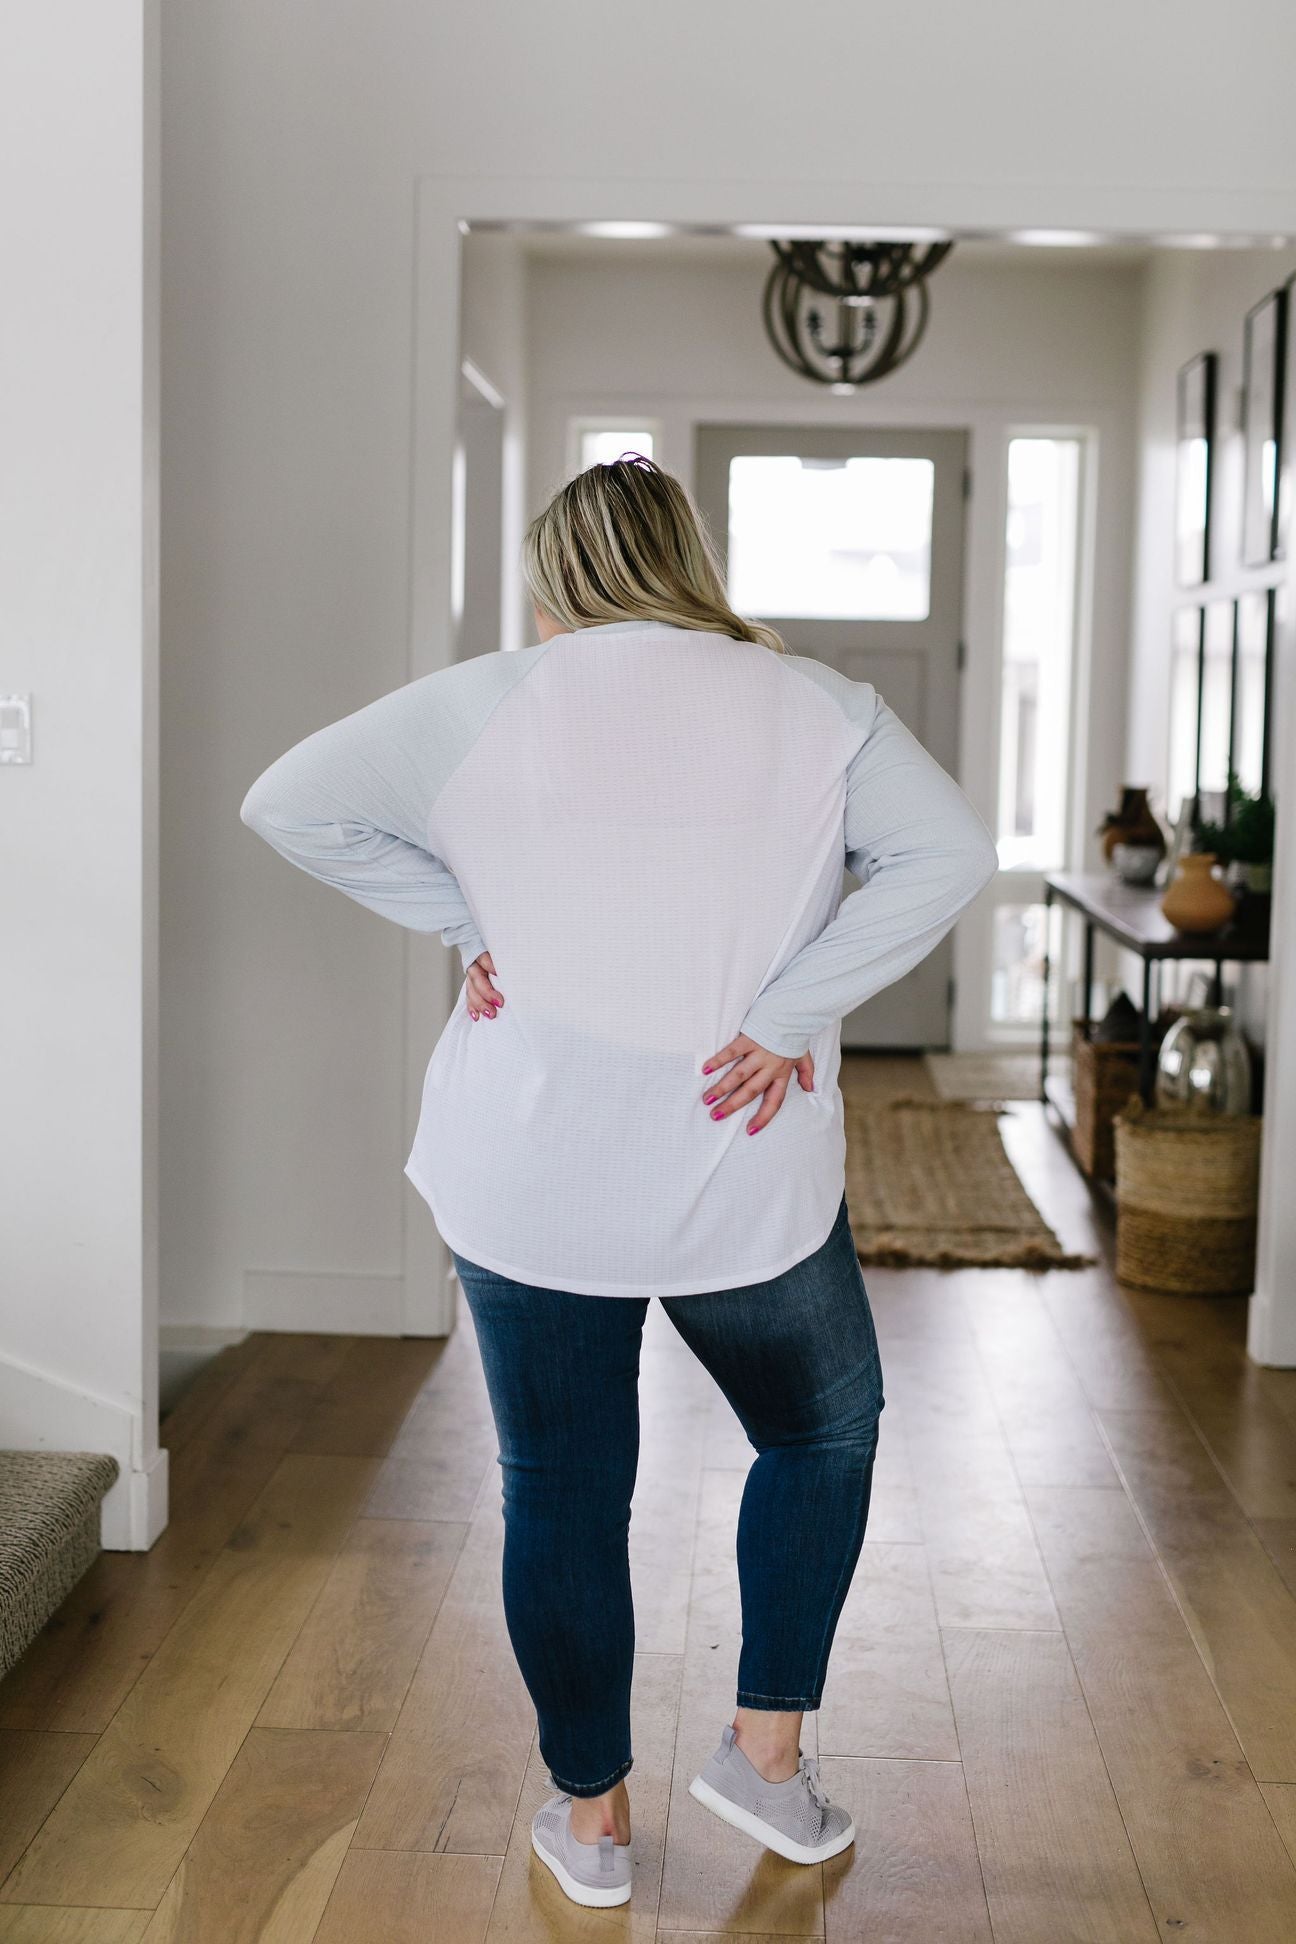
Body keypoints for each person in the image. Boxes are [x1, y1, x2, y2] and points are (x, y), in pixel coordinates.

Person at [240, 455, 998, 1910]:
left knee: (564, 1493)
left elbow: (290, 802)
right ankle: (764, 1763)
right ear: (689, 562)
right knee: (823, 1432)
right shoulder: (818, 704)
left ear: (553, 576)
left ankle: (592, 1828)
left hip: (530, 1169)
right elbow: (947, 855)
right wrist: (786, 1015)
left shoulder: (482, 702)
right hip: (743, 1163)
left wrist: (464, 917)